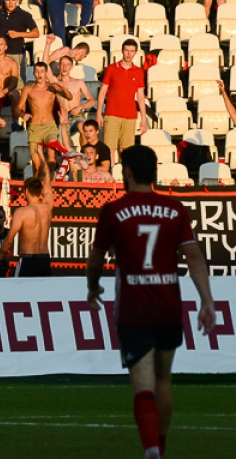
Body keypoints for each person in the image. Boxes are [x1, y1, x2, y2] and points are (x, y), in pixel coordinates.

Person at [86, 145, 216, 459]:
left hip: (134, 308)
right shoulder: (175, 209)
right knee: (163, 380)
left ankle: (151, 450)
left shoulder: (114, 210)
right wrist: (207, 301)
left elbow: (96, 258)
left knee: (143, 384)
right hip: (168, 306)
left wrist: (93, 287)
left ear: (128, 171)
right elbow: (194, 257)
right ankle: (161, 445)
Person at [0, 173, 52, 276]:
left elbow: (9, 240)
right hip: (44, 260)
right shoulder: (47, 208)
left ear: (26, 191)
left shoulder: (21, 212)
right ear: (41, 191)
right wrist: (44, 166)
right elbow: (48, 185)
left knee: (20, 286)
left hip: (28, 260)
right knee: (43, 287)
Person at [97, 38, 148, 153]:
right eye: (126, 50)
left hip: (130, 115)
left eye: (132, 51)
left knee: (126, 150)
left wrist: (143, 118)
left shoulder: (138, 72)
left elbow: (140, 97)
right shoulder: (111, 68)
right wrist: (99, 113)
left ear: (135, 53)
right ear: (122, 51)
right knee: (109, 148)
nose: (129, 54)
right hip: (112, 114)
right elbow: (102, 92)